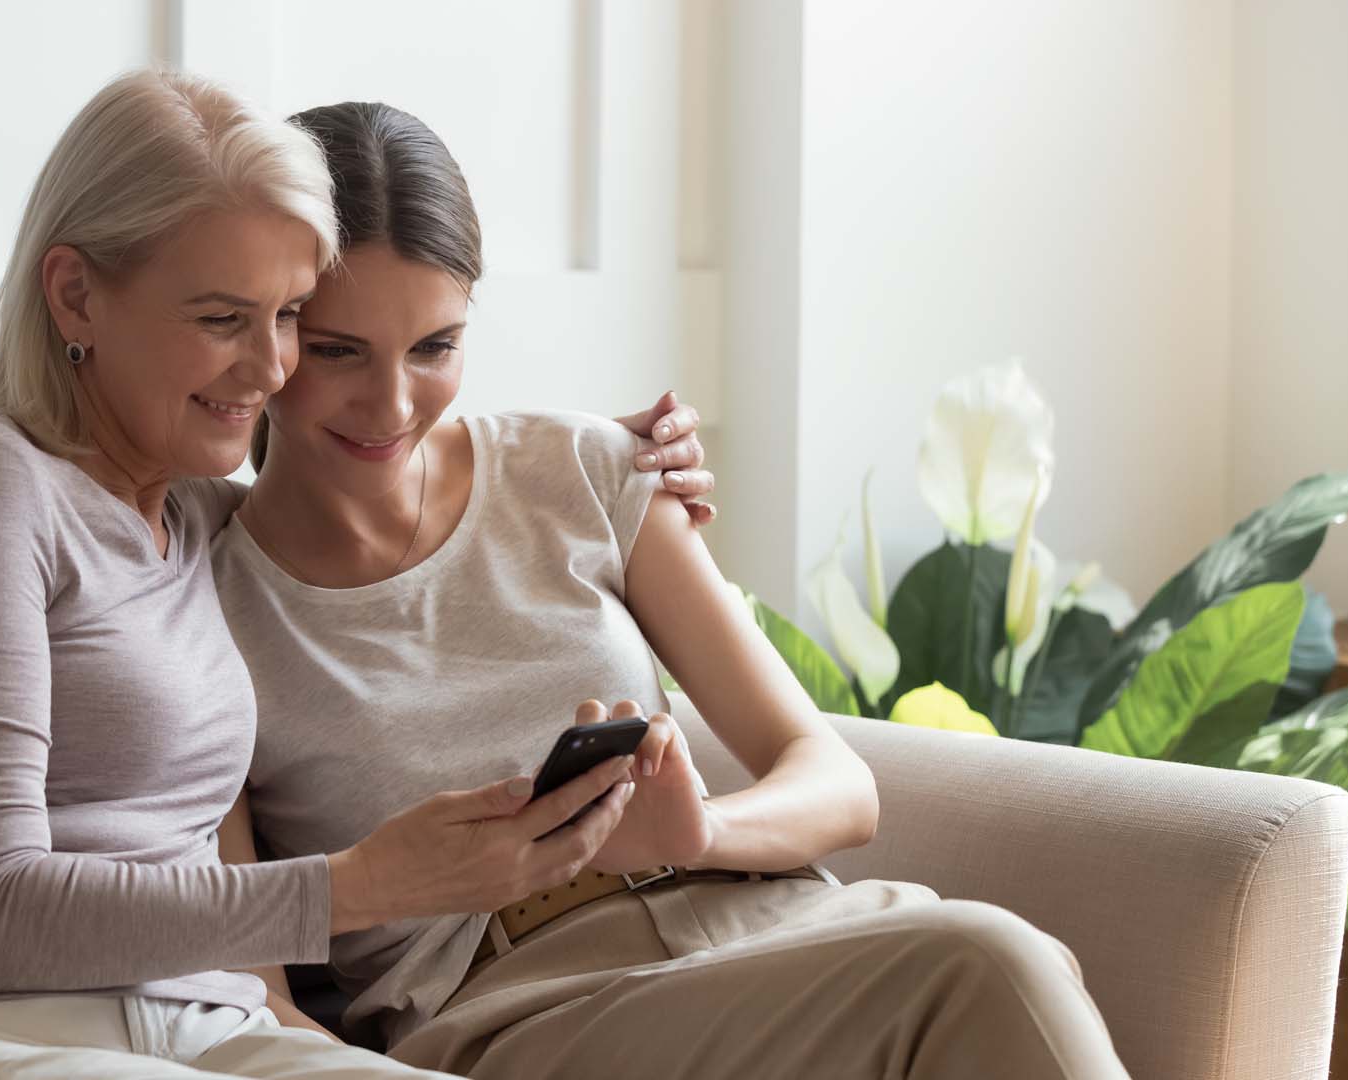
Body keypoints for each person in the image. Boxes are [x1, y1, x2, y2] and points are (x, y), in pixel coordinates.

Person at [0, 70, 709, 1080]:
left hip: (201, 1031)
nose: (272, 367)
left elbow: (389, 461)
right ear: (75, 293)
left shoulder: (201, 527)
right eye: (220, 320)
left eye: (289, 315)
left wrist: (616, 462)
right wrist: (356, 886)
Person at [211, 101, 1132, 1080]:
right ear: (265, 328)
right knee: (994, 963)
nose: (393, 404)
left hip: (782, 928)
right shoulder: (204, 601)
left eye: (434, 347)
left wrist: (705, 830)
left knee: (1000, 964)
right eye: (339, 351)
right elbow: (246, 982)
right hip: (519, 1009)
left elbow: (836, 780)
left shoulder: (586, 469)